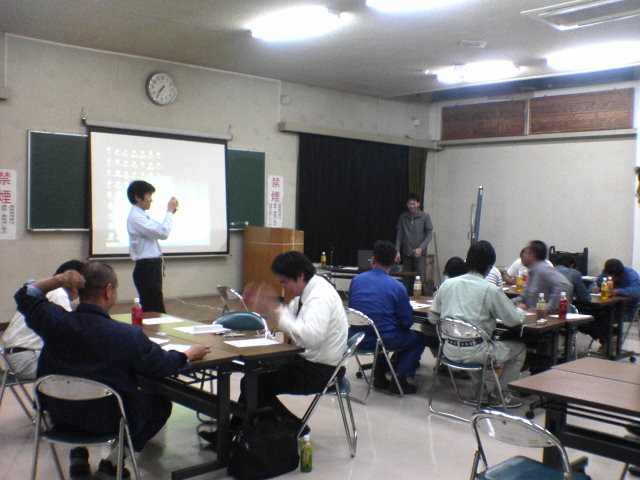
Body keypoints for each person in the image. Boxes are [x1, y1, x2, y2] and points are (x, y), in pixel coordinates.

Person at [14, 260, 210, 479]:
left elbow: (26, 294)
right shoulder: (127, 335)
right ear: (108, 291)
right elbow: (161, 365)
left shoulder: (54, 322)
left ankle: (78, 456)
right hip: (106, 420)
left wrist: (59, 280)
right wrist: (187, 355)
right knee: (160, 403)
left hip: (59, 415)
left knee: (76, 382)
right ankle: (112, 463)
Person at [222, 251, 348, 438]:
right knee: (254, 375)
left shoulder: (319, 297)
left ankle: (295, 428)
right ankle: (233, 432)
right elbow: (295, 322)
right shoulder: (309, 291)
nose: (285, 288)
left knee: (255, 384)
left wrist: (276, 310)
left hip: (322, 370)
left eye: (285, 282)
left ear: (300, 276)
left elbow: (310, 338)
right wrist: (268, 305)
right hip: (308, 359)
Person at [427, 240, 526, 407]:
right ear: (489, 267)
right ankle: (499, 394)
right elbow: (513, 320)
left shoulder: (447, 285)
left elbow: (432, 318)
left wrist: (453, 326)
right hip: (476, 352)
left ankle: (481, 392)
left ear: (467, 262)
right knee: (518, 349)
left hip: (448, 350)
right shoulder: (490, 290)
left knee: (478, 343)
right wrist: (521, 311)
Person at [348, 240, 434, 394]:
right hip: (383, 339)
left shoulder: (356, 281)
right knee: (419, 338)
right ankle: (400, 379)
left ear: (373, 259)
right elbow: (407, 321)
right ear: (394, 262)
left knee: (382, 331)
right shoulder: (397, 287)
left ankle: (379, 376)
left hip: (355, 337)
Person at [3, 259, 84, 380]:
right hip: (28, 360)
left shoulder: (42, 292)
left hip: (11, 359)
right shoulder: (58, 293)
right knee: (86, 366)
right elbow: (71, 333)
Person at [126, 180, 178, 313]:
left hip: (151, 267)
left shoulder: (141, 215)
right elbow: (163, 232)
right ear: (138, 197)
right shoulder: (136, 217)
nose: (151, 199)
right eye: (148, 195)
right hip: (146, 268)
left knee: (154, 309)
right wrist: (169, 211)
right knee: (155, 310)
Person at [580, 258, 640, 349]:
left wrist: (618, 291)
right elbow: (597, 283)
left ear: (620, 274)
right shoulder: (606, 272)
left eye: (613, 277)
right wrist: (593, 288)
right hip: (606, 307)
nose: (611, 279)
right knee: (585, 317)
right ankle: (610, 337)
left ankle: (610, 339)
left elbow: (637, 291)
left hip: (625, 310)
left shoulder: (631, 275)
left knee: (603, 318)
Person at [512, 240, 573, 314]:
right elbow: (524, 297)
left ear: (532, 255)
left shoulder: (543, 270)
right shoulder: (533, 271)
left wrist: (546, 308)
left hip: (547, 319)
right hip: (533, 317)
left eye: (525, 252)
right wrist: (509, 303)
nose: (522, 254)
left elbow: (564, 285)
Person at [395, 193, 434, 295]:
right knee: (406, 278)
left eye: (413, 204)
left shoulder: (425, 216)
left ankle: (420, 300)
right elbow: (399, 234)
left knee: (420, 279)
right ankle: (405, 299)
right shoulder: (403, 217)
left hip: (420, 254)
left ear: (418, 203)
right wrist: (397, 250)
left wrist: (421, 248)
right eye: (409, 204)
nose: (411, 206)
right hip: (406, 252)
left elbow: (429, 235)